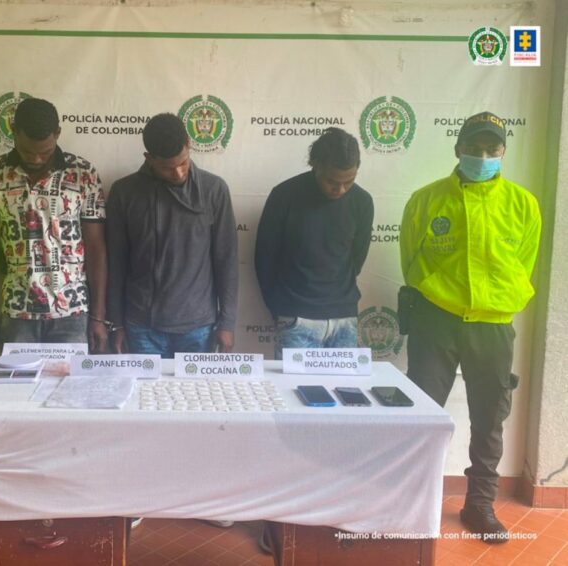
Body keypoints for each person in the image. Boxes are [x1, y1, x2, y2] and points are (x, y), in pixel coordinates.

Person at [400, 111, 541, 544]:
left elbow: (524, 265)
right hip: (436, 323)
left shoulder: (522, 204)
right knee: (421, 415)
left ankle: (479, 506)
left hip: (493, 327)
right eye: (474, 148)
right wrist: (439, 297)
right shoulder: (426, 200)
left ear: (502, 151)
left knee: (489, 419)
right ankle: (409, 503)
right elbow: (412, 261)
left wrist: (495, 303)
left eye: (491, 149)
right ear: (457, 147)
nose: (482, 156)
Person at [0, 98, 108, 352]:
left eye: (44, 152)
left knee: (68, 390)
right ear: (13, 130)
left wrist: (99, 317)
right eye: (26, 150)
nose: (35, 158)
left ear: (57, 133)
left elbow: (96, 247)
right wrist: (8, 267)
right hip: (17, 310)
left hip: (72, 310)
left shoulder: (82, 173)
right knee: (18, 389)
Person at [106, 112, 238, 359]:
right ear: (149, 158)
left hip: (199, 328)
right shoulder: (125, 193)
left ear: (189, 144)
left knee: (196, 398)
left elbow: (226, 260)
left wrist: (227, 322)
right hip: (141, 326)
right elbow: (116, 264)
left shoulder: (214, 190)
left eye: (183, 163)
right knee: (145, 397)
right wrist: (116, 323)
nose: (178, 173)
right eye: (167, 168)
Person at [255, 127, 374, 359]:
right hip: (296, 318)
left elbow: (357, 258)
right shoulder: (284, 196)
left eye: (349, 181)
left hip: (344, 319)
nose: (340, 189)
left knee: (344, 394)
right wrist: (280, 309)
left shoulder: (362, 201)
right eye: (332, 181)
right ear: (315, 164)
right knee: (293, 393)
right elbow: (265, 258)